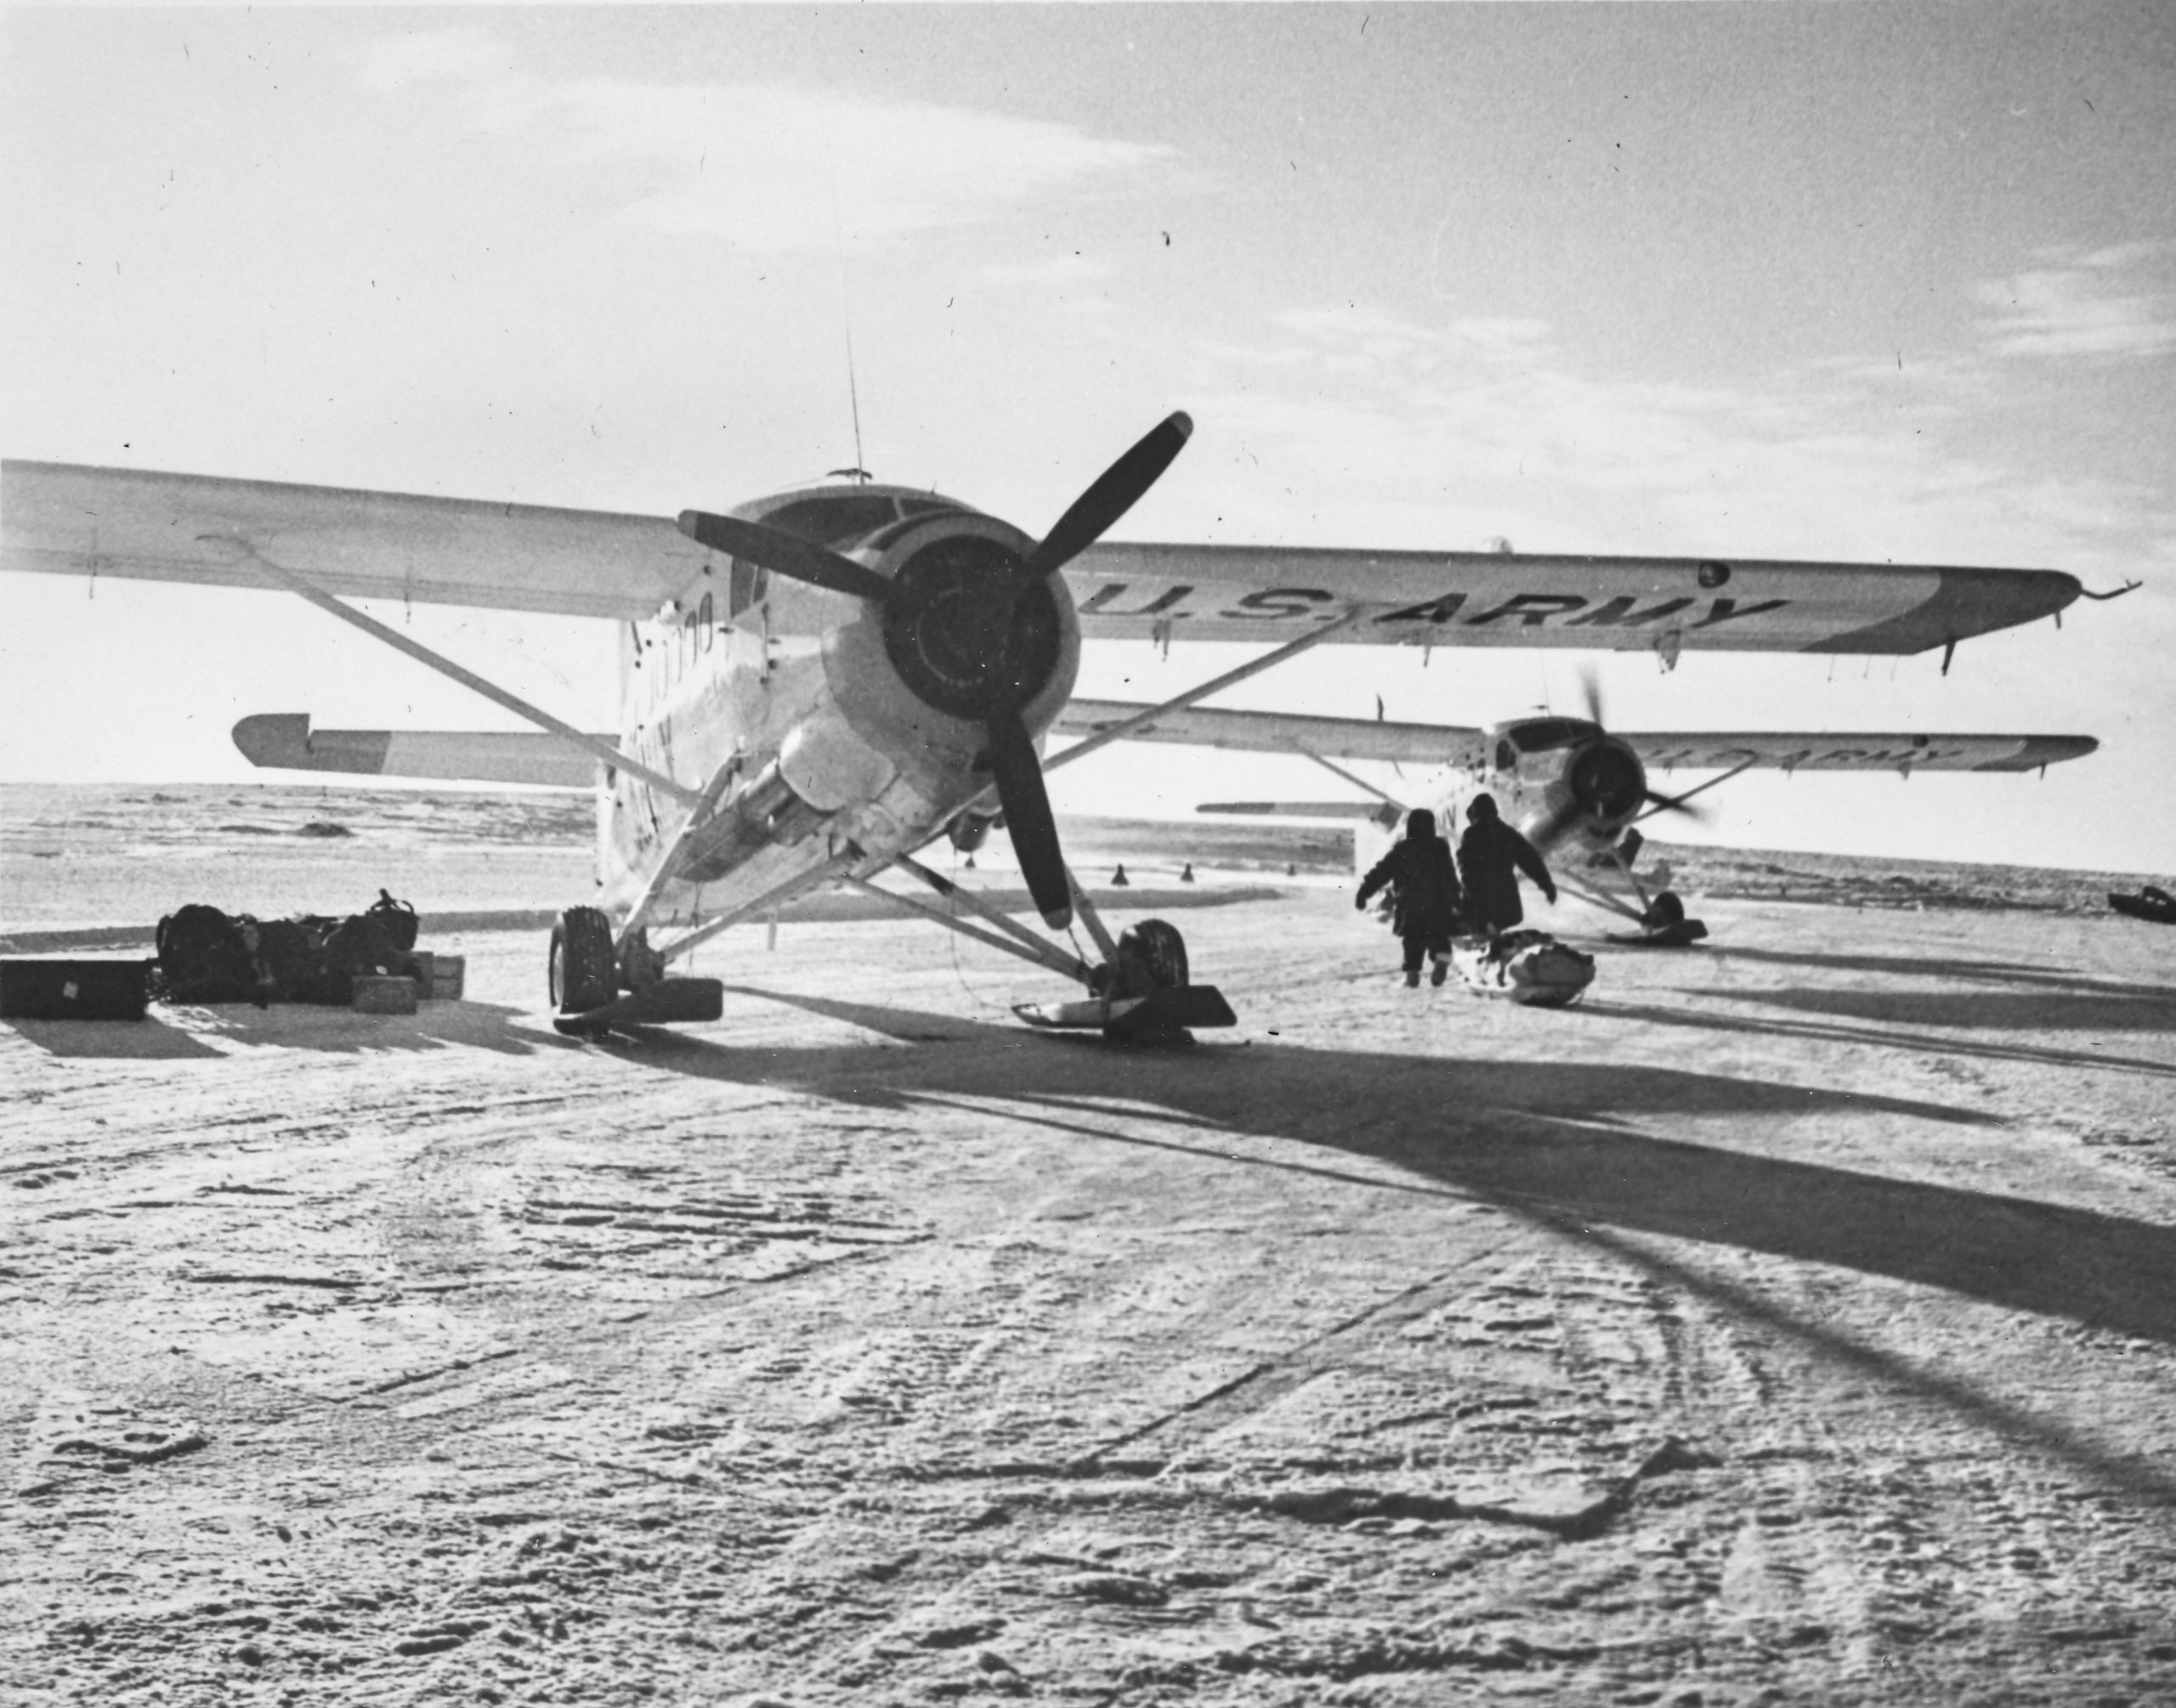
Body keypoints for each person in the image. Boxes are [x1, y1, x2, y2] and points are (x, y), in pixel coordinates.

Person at [1355, 808, 1465, 987]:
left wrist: (1364, 893)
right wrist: (1457, 902)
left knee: (1413, 942)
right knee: (1440, 937)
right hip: (1438, 905)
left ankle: (1412, 974)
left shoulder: (1402, 849)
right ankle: (1441, 963)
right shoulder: (1440, 848)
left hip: (1410, 906)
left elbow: (1381, 872)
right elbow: (1449, 877)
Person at [1457, 793, 1556, 936]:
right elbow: (1530, 860)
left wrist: (1469, 892)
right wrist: (1546, 884)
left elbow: (1466, 866)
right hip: (1505, 897)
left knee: (1485, 935)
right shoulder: (1507, 833)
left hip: (1481, 897)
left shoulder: (1472, 834)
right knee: (1496, 932)